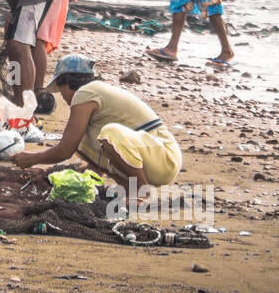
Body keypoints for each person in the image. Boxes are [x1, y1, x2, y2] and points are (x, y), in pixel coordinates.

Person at [11, 56, 182, 198]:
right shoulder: (93, 93)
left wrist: (32, 158)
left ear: (67, 81)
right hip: (151, 156)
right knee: (81, 140)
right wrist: (51, 176)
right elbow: (91, 163)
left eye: (60, 89)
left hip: (165, 157)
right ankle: (127, 187)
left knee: (110, 134)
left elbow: (64, 151)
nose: (62, 96)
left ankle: (140, 190)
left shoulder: (86, 93)